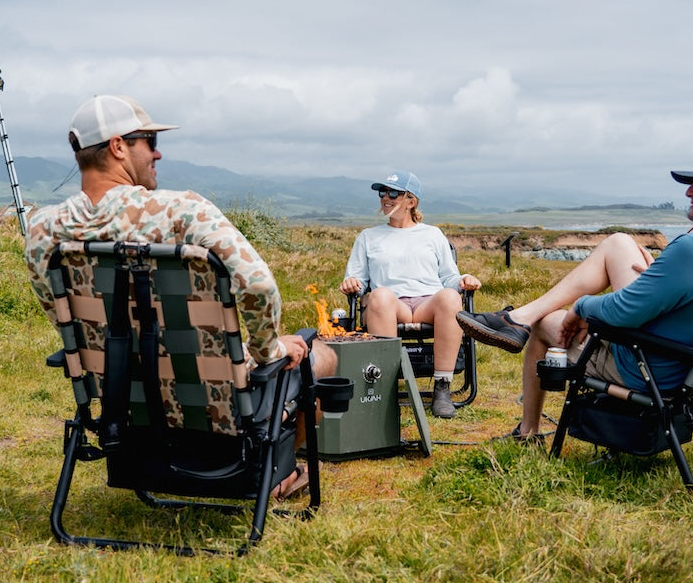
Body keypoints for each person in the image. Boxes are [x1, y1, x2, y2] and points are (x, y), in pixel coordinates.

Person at [25, 94, 337, 498]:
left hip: (123, 404)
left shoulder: (42, 232)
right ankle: (269, 476)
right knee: (322, 356)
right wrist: (269, 350)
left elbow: (67, 326)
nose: (157, 153)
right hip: (217, 405)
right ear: (119, 146)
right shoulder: (182, 212)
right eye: (148, 140)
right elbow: (258, 286)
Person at [456, 148, 693, 442]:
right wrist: (657, 280)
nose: (688, 192)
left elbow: (623, 313)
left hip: (647, 365)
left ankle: (528, 429)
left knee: (545, 324)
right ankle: (517, 318)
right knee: (619, 243)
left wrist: (581, 306)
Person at [339, 170, 481, 418]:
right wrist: (352, 284)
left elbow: (449, 277)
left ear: (411, 201)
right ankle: (384, 388)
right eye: (383, 192)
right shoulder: (368, 237)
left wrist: (464, 280)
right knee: (379, 295)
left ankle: (442, 388)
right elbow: (359, 281)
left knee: (450, 296)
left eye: (394, 193)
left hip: (429, 303)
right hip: (392, 305)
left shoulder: (432, 234)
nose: (386, 197)